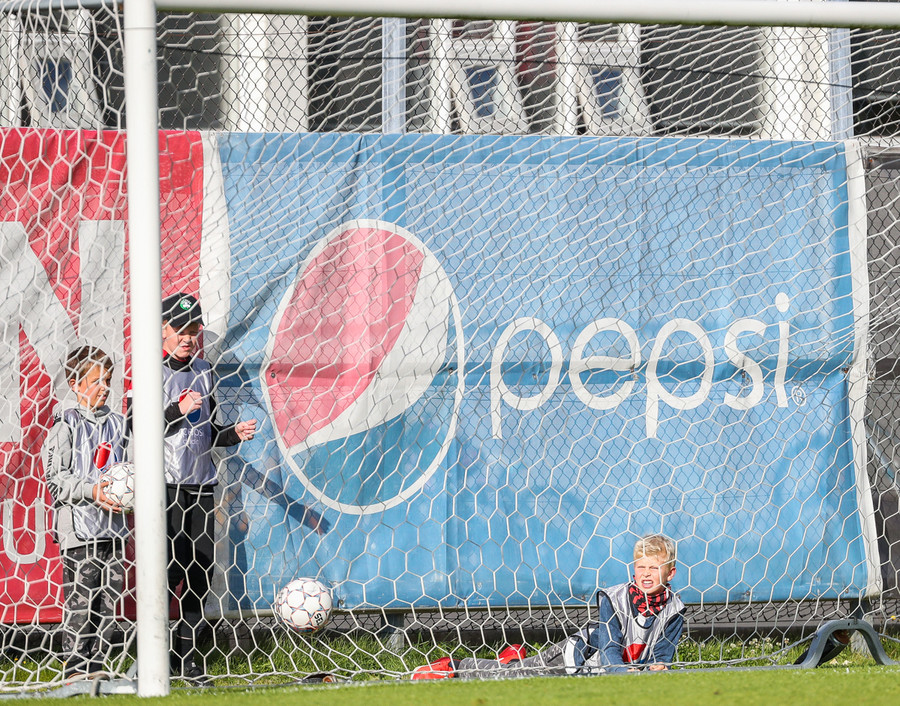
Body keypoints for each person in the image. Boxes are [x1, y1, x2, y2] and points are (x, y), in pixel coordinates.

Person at [412, 534, 685, 679]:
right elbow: (609, 647)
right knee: (514, 677)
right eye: (641, 567)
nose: (646, 574)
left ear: (670, 573)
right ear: (633, 568)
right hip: (579, 656)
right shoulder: (613, 598)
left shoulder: (675, 610)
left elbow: (663, 652)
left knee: (519, 671)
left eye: (654, 568)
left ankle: (511, 657)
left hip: (615, 672)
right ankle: (456, 665)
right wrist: (621, 672)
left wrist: (658, 668)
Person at [158, 292, 256, 683]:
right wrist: (175, 411)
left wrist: (232, 433)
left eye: (193, 330)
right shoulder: (149, 372)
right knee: (169, 573)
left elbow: (207, 431)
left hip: (201, 487)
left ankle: (188, 660)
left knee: (200, 572)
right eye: (180, 329)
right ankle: (158, 657)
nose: (187, 337)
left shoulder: (204, 370)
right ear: (163, 330)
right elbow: (134, 428)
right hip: (165, 489)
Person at [43, 346, 131, 679]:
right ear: (76, 385)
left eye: (107, 380)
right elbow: (55, 479)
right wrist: (93, 491)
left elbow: (129, 470)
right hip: (79, 531)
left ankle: (96, 665)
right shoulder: (65, 424)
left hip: (114, 528)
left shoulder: (119, 424)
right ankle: (75, 665)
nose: (104, 387)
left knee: (108, 602)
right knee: (81, 601)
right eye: (95, 381)